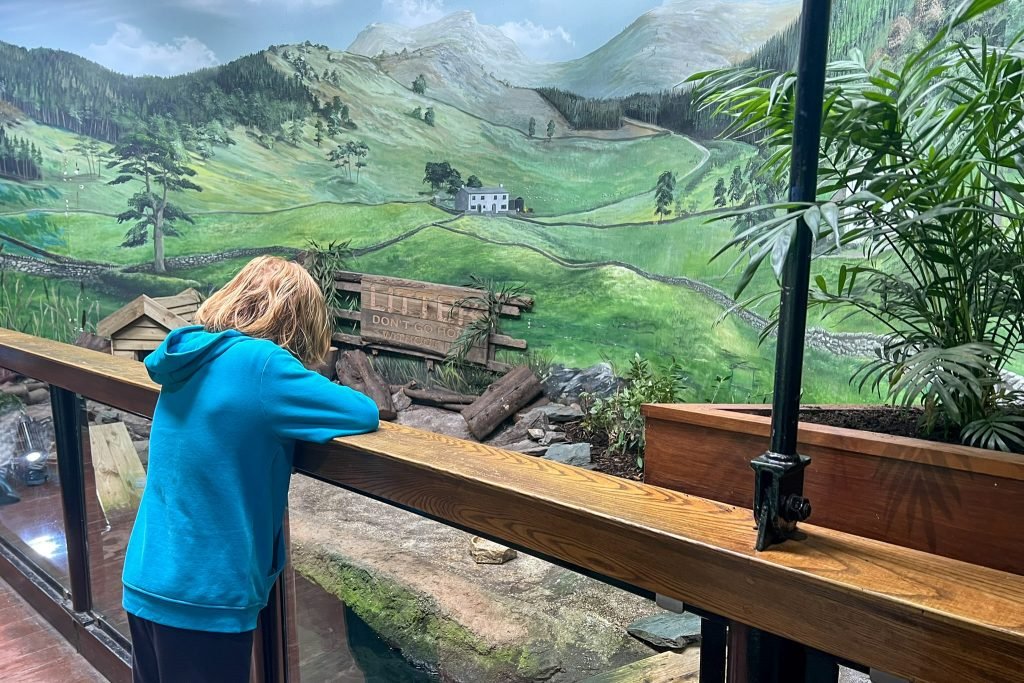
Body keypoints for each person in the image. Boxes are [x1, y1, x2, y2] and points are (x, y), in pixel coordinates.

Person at [122, 256, 379, 683]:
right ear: (297, 320)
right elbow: (362, 411)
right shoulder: (262, 364)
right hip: (205, 595)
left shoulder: (190, 354)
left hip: (148, 576)